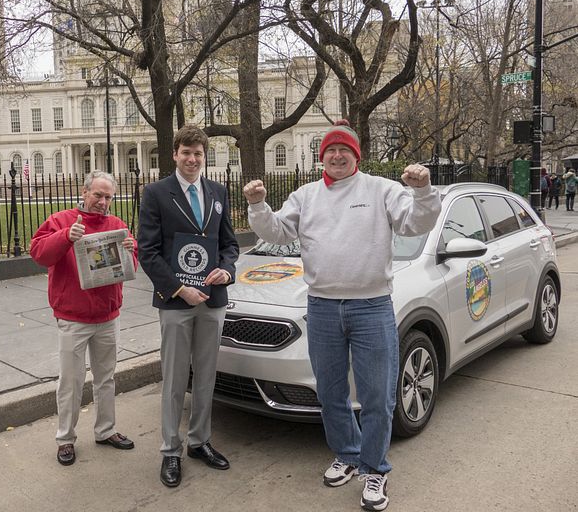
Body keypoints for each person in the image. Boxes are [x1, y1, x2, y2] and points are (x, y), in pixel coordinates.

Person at [243, 120, 441, 512]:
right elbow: (279, 232)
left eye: (345, 151)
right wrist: (257, 204)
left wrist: (422, 190)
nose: (337, 156)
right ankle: (348, 455)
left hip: (371, 307)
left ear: (356, 156)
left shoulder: (381, 189)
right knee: (331, 393)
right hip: (321, 307)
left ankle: (374, 469)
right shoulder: (306, 195)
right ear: (323, 157)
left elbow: (415, 221)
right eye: (331, 151)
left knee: (376, 396)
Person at [137, 125, 239, 488]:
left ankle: (199, 442)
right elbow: (147, 252)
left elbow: (229, 244)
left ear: (204, 156)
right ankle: (170, 450)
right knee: (175, 379)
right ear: (175, 154)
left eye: (198, 153)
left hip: (213, 299)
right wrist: (180, 289)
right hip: (177, 302)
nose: (192, 159)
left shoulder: (218, 192)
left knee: (207, 376)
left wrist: (226, 272)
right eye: (186, 153)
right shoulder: (155, 193)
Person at [30, 170, 138, 466]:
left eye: (108, 197)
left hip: (107, 315)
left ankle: (106, 430)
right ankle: (66, 438)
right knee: (71, 381)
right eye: (98, 195)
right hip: (74, 317)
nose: (103, 202)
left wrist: (131, 250)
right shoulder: (61, 220)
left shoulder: (116, 225)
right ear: (84, 192)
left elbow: (131, 267)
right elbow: (38, 253)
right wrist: (66, 236)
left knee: (106, 378)